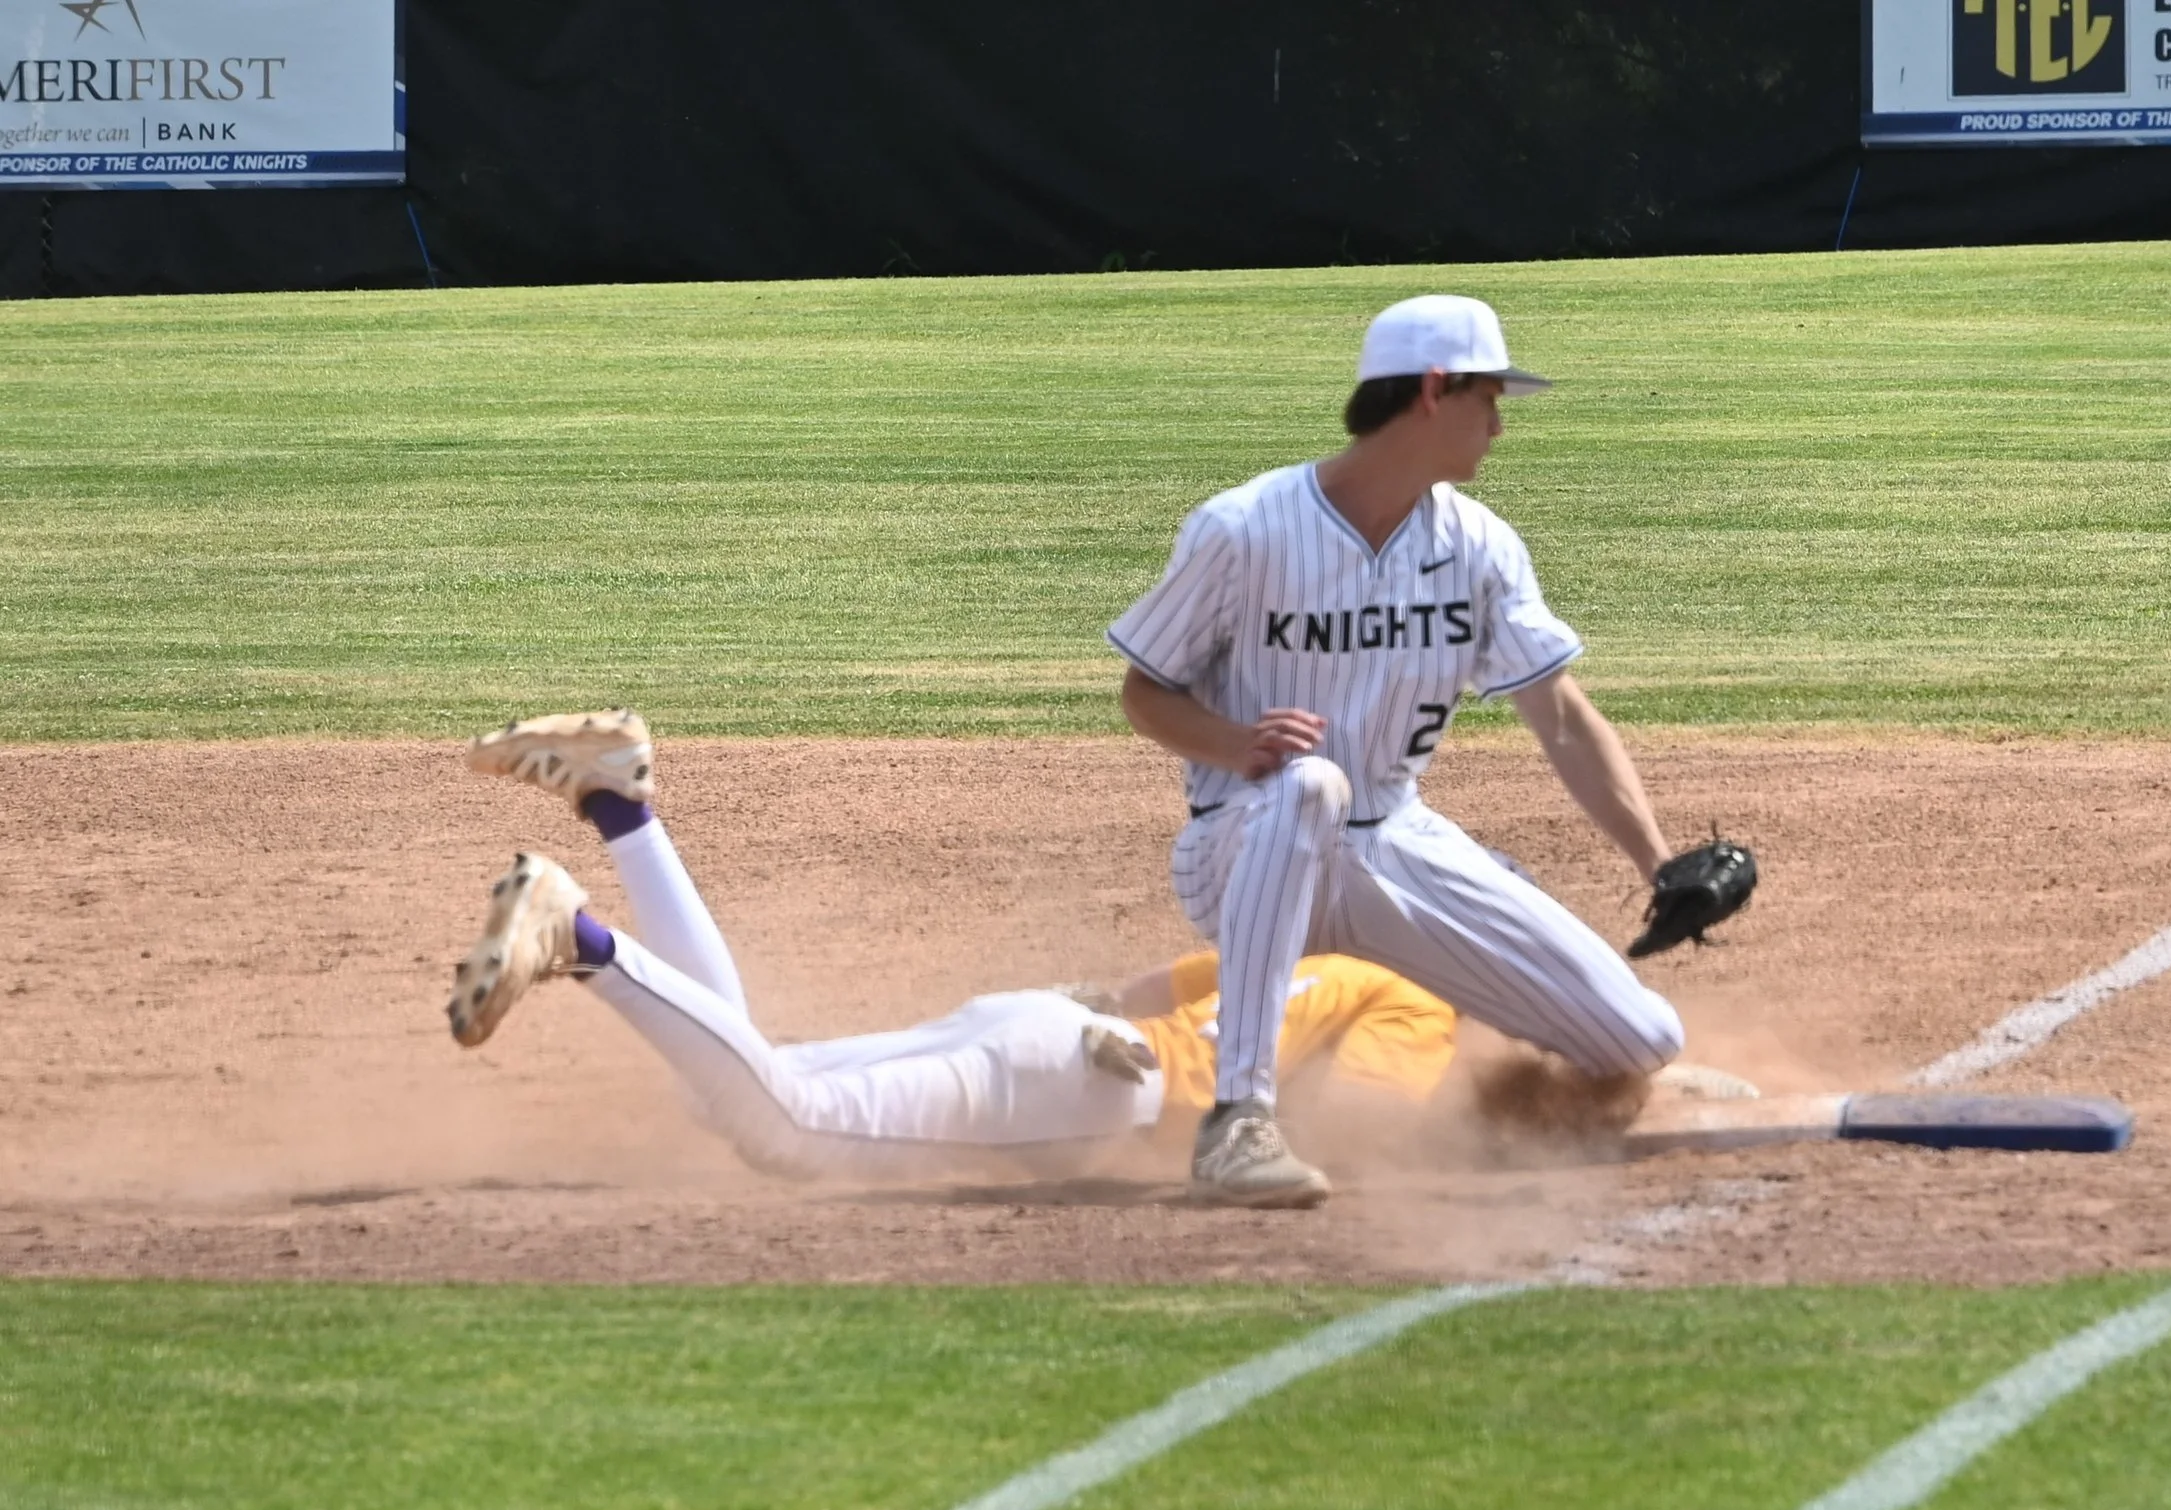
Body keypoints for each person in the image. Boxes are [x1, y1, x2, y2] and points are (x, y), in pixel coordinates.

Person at [1108, 294, 1690, 1210]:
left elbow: (1563, 719)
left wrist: (1660, 865)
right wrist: (1236, 743)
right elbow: (1145, 692)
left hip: (1391, 845)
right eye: (1487, 398)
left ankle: (1417, 1085)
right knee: (1310, 784)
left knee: (1641, 1040)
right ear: (1431, 390)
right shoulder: (1244, 529)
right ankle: (1239, 1120)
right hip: (1246, 840)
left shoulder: (1479, 546)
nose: (1499, 425)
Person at [442, 711, 1476, 1179]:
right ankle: (578, 937)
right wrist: (1477, 1119)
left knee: (738, 1080)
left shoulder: (1303, 953)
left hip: (1045, 1032)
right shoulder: (1418, 999)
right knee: (782, 1129)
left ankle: (620, 804)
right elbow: (1361, 1127)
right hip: (1086, 1092)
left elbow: (1136, 990)